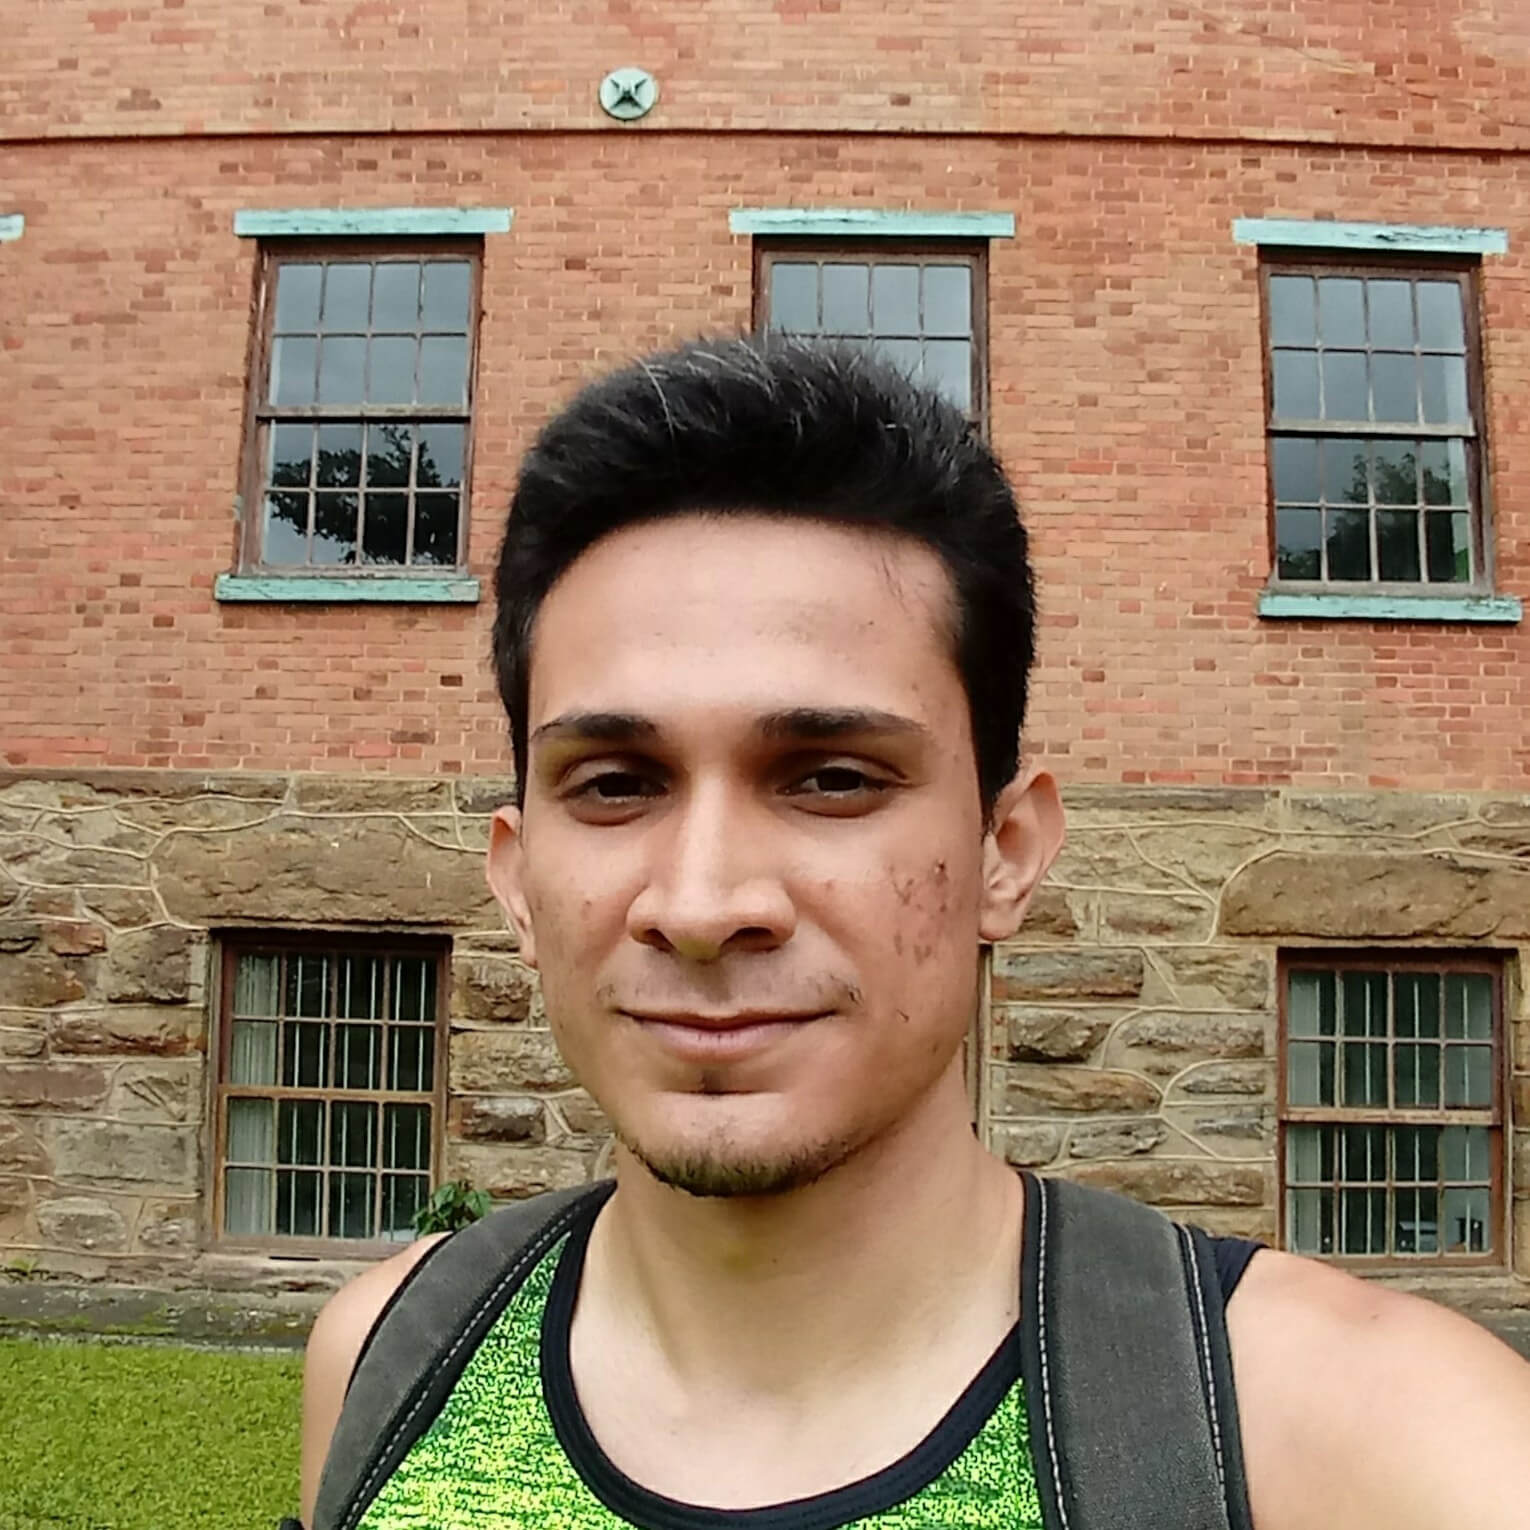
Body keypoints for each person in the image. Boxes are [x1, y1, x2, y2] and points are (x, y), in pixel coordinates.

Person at [297, 337, 1530, 1530]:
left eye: (832, 778)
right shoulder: (391, 1357)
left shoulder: (1362, 1436)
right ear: (516, 880)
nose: (706, 902)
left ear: (1006, 852)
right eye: (615, 783)